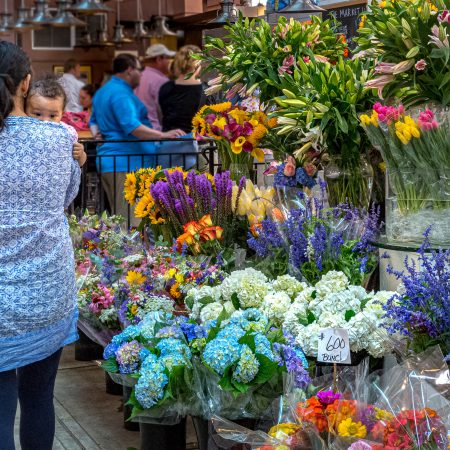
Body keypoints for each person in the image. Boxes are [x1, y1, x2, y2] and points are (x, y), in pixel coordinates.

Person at [0, 41, 81, 450]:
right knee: (38, 399)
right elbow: (65, 198)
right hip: (46, 288)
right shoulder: (59, 137)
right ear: (25, 84)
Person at [90, 53, 184, 219]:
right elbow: (132, 126)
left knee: (121, 217)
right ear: (129, 70)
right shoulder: (121, 94)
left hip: (113, 161)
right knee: (130, 221)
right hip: (125, 163)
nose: (141, 75)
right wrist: (162, 135)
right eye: (139, 70)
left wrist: (97, 135)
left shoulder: (104, 91)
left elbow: (93, 122)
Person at [26, 76, 87, 167]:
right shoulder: (24, 130)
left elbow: (80, 163)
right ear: (25, 111)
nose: (45, 121)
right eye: (37, 114)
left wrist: (81, 155)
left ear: (62, 115)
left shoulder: (68, 132)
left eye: (52, 116)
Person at [159, 45, 205, 133]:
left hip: (170, 139)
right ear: (198, 65)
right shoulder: (205, 89)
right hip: (198, 142)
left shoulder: (166, 87)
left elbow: (160, 115)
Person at [135, 43, 175, 130]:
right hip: (155, 130)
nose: (169, 61)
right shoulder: (162, 81)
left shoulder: (139, 76)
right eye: (167, 58)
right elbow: (164, 111)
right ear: (159, 59)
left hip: (138, 129)